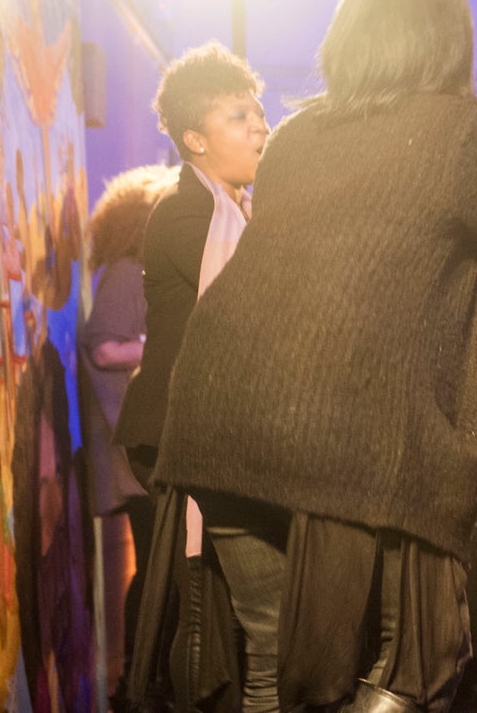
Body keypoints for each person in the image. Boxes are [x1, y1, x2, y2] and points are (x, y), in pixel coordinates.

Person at [154, 0, 477, 713]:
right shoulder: (465, 131)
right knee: (411, 659)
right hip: (353, 434)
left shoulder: (298, 135)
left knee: (273, 663)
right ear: (449, 40)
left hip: (218, 416)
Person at [116, 41, 268, 712]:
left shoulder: (232, 208)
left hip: (210, 433)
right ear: (196, 139)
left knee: (218, 602)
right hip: (185, 435)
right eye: (240, 116)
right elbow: (245, 318)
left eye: (259, 113)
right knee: (210, 604)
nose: (261, 126)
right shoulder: (190, 212)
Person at [80, 163, 176, 702]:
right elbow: (104, 347)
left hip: (143, 450)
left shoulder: (137, 271)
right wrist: (165, 345)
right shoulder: (125, 272)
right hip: (135, 454)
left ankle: (143, 677)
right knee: (157, 573)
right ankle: (137, 680)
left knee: (163, 571)